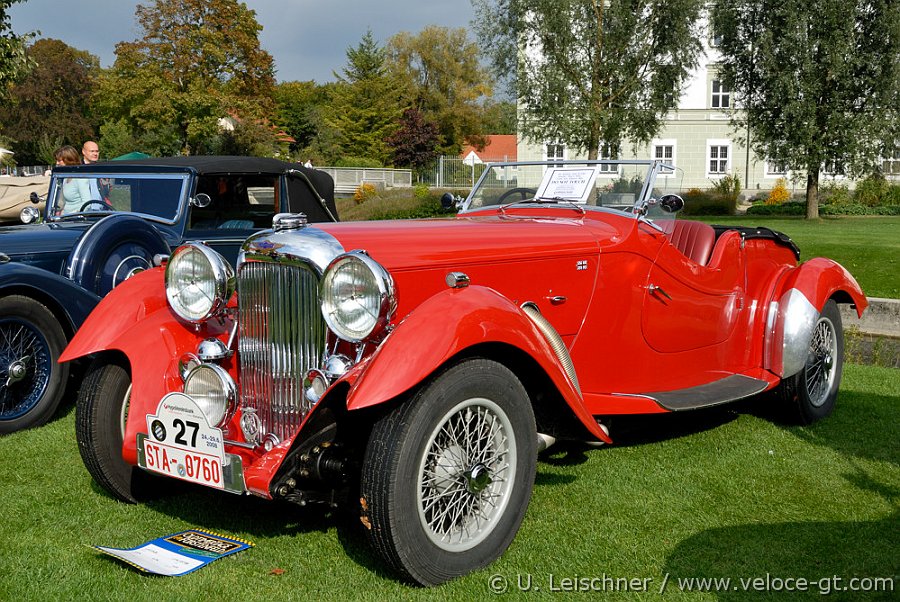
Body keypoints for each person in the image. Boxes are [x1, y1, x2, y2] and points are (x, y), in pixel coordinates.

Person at [55, 145, 91, 214]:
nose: (57, 163)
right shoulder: (65, 177)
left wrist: (72, 214)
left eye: (59, 160)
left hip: (76, 217)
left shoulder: (80, 179)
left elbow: (87, 204)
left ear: (68, 160)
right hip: (64, 216)